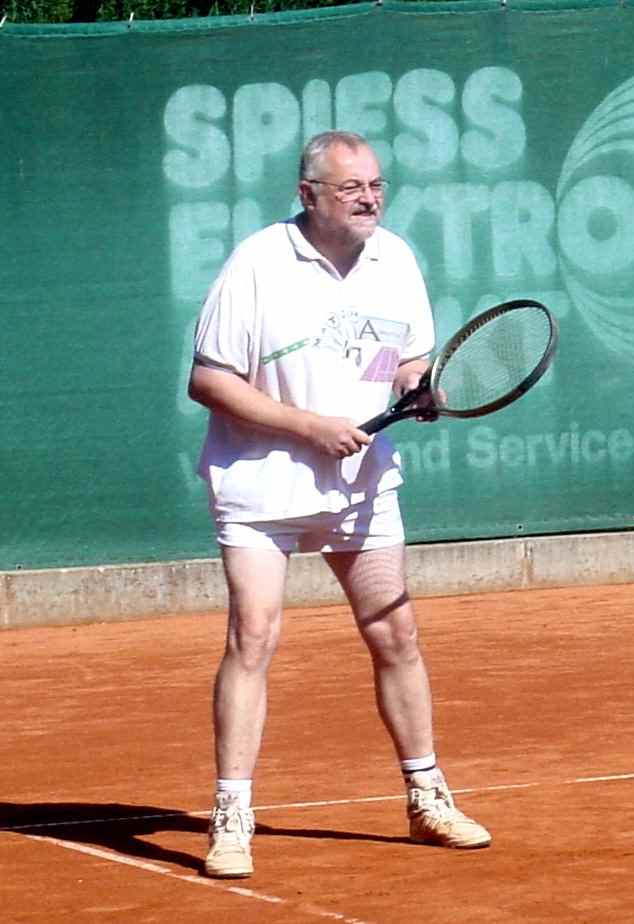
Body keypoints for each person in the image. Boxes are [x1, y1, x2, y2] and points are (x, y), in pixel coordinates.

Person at [188, 130, 491, 879]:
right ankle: (232, 816)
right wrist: (308, 427)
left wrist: (415, 387)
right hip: (260, 484)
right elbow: (208, 380)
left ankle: (426, 797)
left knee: (396, 632)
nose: (368, 199)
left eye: (376, 185)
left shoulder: (395, 260)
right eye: (351, 187)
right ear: (308, 195)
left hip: (361, 486)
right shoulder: (257, 264)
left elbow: (403, 357)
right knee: (253, 636)